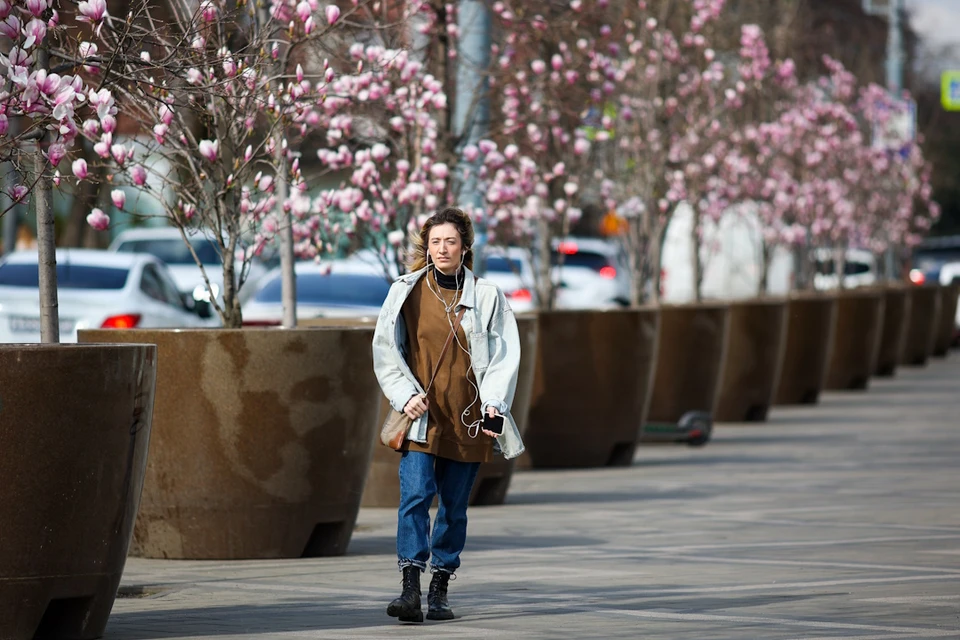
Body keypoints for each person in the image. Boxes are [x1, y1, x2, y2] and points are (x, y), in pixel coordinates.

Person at [372, 206, 525, 623]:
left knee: (454, 508)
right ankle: (409, 589)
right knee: (416, 496)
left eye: (450, 241)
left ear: (464, 247)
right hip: (423, 417)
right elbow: (386, 350)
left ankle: (439, 587)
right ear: (427, 246)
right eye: (435, 241)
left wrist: (494, 402)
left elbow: (503, 357)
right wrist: (405, 396)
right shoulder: (405, 291)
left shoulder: (488, 296)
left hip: (471, 419)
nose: (442, 249)